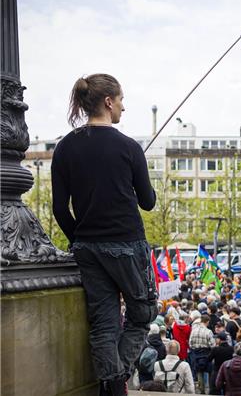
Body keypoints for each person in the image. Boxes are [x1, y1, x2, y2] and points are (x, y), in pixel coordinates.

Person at [52, 74, 158, 395]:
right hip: (127, 244)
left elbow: (60, 209)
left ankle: (111, 384)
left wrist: (80, 239)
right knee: (142, 315)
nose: (123, 108)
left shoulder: (65, 147)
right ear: (109, 102)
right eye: (121, 101)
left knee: (104, 325)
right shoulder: (128, 147)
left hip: (88, 250)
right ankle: (117, 379)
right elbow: (148, 202)